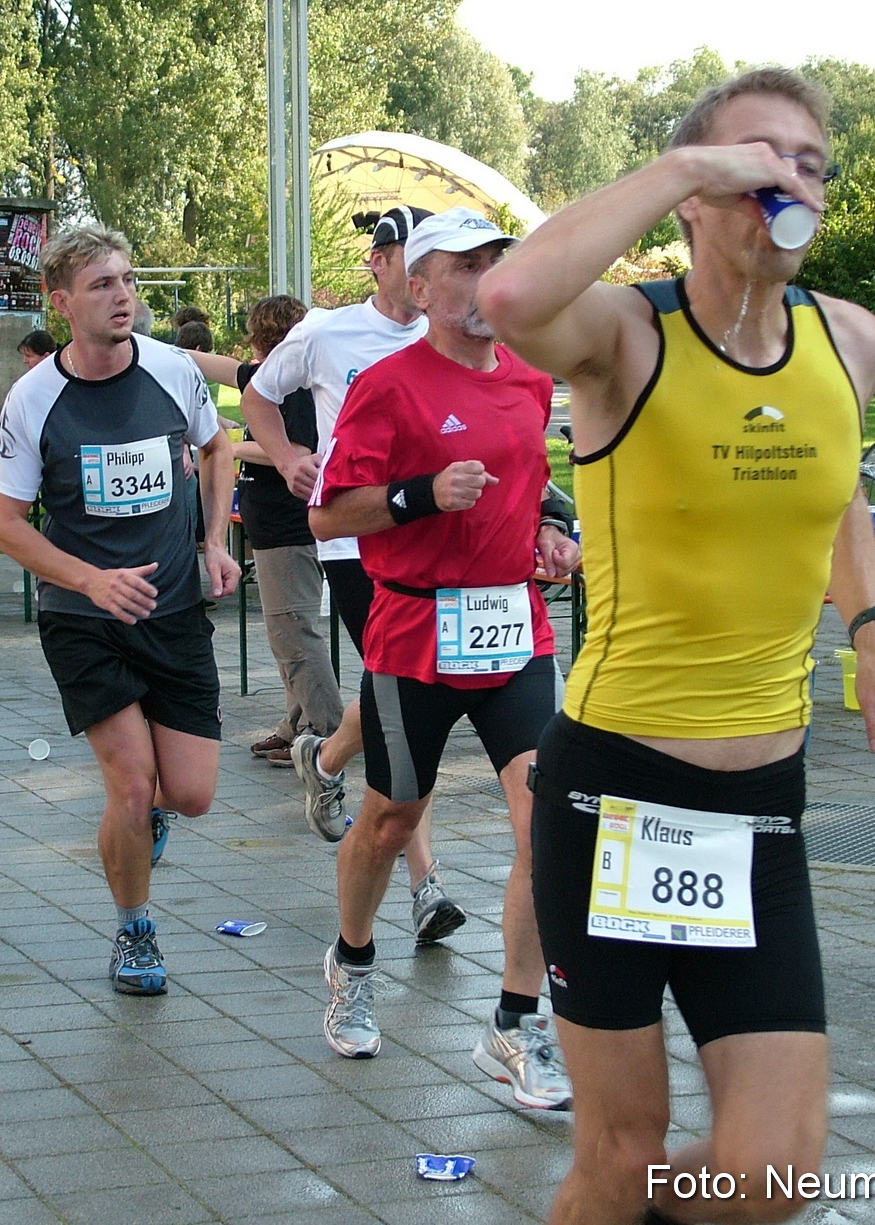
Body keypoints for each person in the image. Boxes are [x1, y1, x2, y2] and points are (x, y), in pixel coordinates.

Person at [476, 69, 875, 1225]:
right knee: (621, 1155)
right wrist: (690, 164)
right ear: (692, 195)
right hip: (618, 798)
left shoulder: (852, 340)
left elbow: (831, 476)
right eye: (756, 162)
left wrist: (871, 622)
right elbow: (510, 295)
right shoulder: (628, 334)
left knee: (771, 1172)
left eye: (808, 166)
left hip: (760, 809)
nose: (785, 183)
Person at [307, 210, 577, 1112]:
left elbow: (533, 482)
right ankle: (351, 960)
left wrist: (552, 529)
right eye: (466, 266)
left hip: (514, 629)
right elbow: (329, 515)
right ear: (419, 288)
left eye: (498, 262)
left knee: (548, 825)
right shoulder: (386, 385)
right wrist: (420, 495)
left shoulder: (532, 380)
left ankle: (513, 1021)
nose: (487, 279)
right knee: (390, 821)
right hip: (413, 636)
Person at [0, 224, 240, 996]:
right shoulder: (35, 397)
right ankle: (135, 930)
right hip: (84, 617)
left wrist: (213, 540)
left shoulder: (171, 370)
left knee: (187, 793)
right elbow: (4, 524)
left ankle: (144, 825)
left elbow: (219, 447)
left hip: (172, 608)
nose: (123, 296)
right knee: (129, 784)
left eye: (127, 281)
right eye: (102, 285)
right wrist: (91, 581)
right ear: (62, 303)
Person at [240, 205, 467, 943]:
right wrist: (284, 457)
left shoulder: (459, 334)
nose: (418, 266)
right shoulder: (326, 331)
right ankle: (426, 883)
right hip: (360, 542)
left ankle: (326, 753)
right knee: (411, 703)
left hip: (443, 536)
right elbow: (256, 396)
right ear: (377, 262)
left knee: (401, 696)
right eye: (404, 253)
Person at [187, 296, 344, 768]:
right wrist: (141, 347)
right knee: (289, 632)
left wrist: (230, 448)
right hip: (278, 525)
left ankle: (330, 733)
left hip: (288, 526)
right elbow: (210, 364)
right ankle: (293, 726)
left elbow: (297, 447)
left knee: (292, 632)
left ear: (260, 334)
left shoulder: (293, 386)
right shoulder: (266, 376)